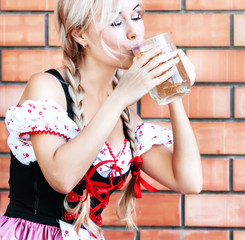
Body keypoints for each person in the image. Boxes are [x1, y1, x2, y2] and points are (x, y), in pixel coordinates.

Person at [0, 0, 202, 239]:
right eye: (116, 21)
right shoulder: (47, 88)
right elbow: (62, 178)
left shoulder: (126, 116)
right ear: (80, 34)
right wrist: (120, 97)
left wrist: (172, 89)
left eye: (136, 16)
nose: (133, 31)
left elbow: (189, 181)